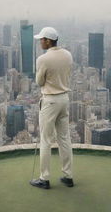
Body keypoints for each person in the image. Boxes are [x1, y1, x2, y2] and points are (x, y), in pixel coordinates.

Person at [29, 27, 74, 189]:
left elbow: (40, 82)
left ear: (48, 40)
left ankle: (44, 178)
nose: (40, 41)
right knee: (64, 138)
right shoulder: (68, 55)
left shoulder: (43, 59)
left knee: (46, 140)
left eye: (42, 39)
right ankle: (68, 176)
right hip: (64, 99)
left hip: (50, 101)